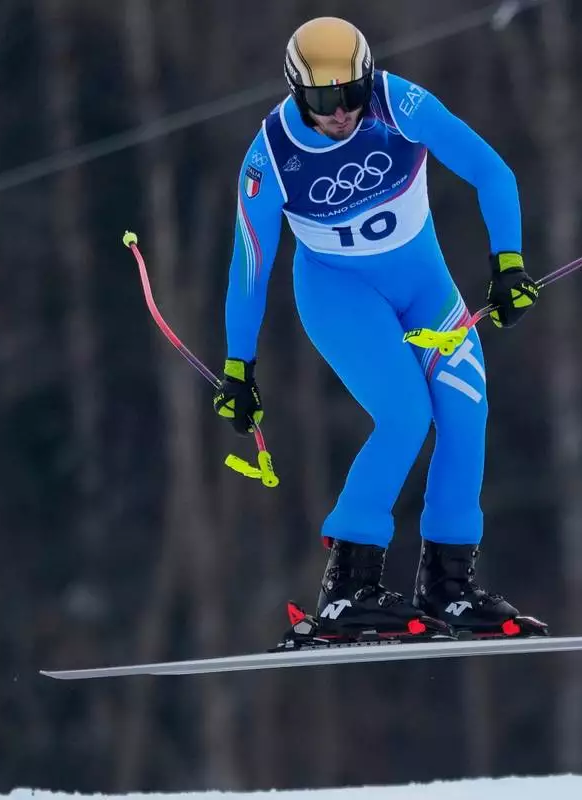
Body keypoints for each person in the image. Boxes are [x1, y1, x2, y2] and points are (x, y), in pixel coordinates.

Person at [213, 16, 546, 641]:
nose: (340, 112)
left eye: (351, 94)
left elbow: (491, 171)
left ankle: (449, 585)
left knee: (466, 410)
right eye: (321, 100)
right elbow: (250, 263)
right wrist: (239, 366)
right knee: (403, 416)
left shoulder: (399, 103)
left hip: (425, 287)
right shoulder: (271, 154)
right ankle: (347, 588)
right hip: (340, 296)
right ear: (295, 90)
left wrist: (509, 265)